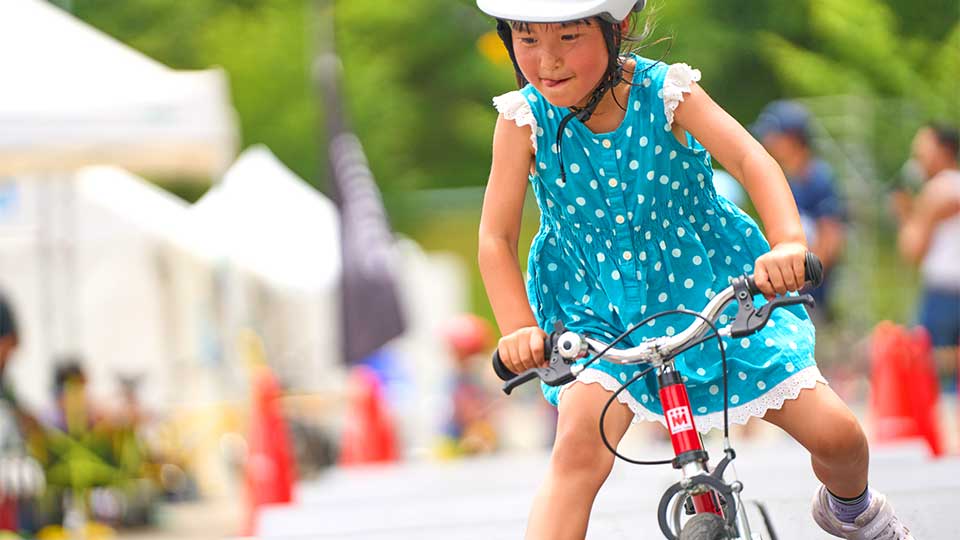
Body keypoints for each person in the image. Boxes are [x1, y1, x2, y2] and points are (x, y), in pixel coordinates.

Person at [474, 1, 912, 538]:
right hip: (597, 314)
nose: (547, 60)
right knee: (577, 452)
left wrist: (788, 244)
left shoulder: (664, 92)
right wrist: (519, 329)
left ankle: (853, 511)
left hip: (711, 292)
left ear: (618, 27)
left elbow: (751, 160)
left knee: (838, 436)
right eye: (527, 39)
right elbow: (496, 238)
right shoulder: (522, 120)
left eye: (568, 37)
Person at [752, 100, 846, 315]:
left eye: (773, 135)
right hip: (792, 290)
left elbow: (830, 237)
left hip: (808, 294)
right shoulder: (790, 179)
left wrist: (801, 281)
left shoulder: (817, 178)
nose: (767, 141)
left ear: (792, 138)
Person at [892, 123, 960, 382]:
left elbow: (912, 248)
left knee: (933, 373)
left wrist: (904, 212)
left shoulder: (937, 190)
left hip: (943, 294)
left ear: (943, 150)